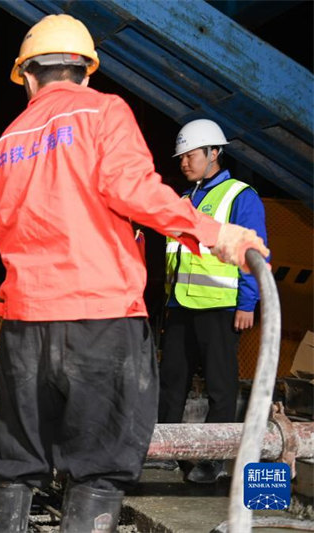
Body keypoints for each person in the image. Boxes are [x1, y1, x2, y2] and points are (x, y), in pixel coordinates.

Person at [0, 14, 269, 533]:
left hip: (24, 326)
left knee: (13, 462)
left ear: (27, 76)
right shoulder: (102, 110)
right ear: (86, 71)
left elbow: (10, 226)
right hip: (100, 319)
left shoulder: (8, 140)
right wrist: (215, 233)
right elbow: (134, 192)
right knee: (99, 466)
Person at [159, 119, 268, 484]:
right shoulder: (186, 199)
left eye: (191, 155)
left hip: (220, 306)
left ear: (214, 153)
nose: (184, 163)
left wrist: (247, 303)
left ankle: (214, 458)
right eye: (181, 157)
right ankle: (164, 451)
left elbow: (252, 252)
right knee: (172, 381)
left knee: (221, 386)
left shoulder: (241, 196)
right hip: (180, 304)